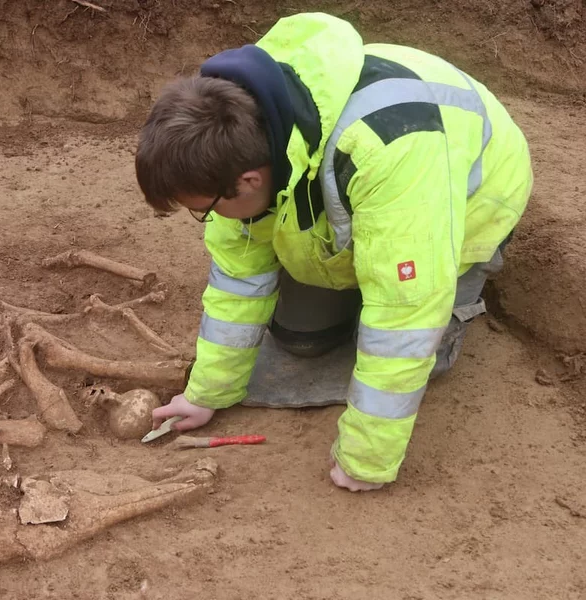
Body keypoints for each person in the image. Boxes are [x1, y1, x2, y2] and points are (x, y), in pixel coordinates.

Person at [134, 12, 533, 491]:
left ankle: (451, 312)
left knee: (409, 327)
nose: (208, 217)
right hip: (356, 199)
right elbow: (239, 280)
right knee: (299, 341)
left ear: (249, 180)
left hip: (464, 209)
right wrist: (207, 394)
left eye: (206, 209)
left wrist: (367, 458)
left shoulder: (388, 150)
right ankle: (365, 279)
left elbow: (405, 313)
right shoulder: (240, 142)